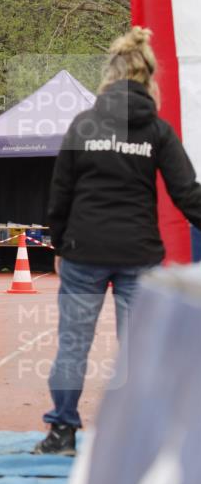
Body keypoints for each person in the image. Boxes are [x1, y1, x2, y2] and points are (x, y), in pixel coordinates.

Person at [36, 27, 201, 455]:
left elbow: (61, 193)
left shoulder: (83, 124)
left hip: (83, 250)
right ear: (148, 79)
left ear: (108, 77)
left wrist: (58, 244)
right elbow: (188, 195)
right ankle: (139, 437)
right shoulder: (157, 131)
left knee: (73, 343)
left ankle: (63, 432)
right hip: (138, 252)